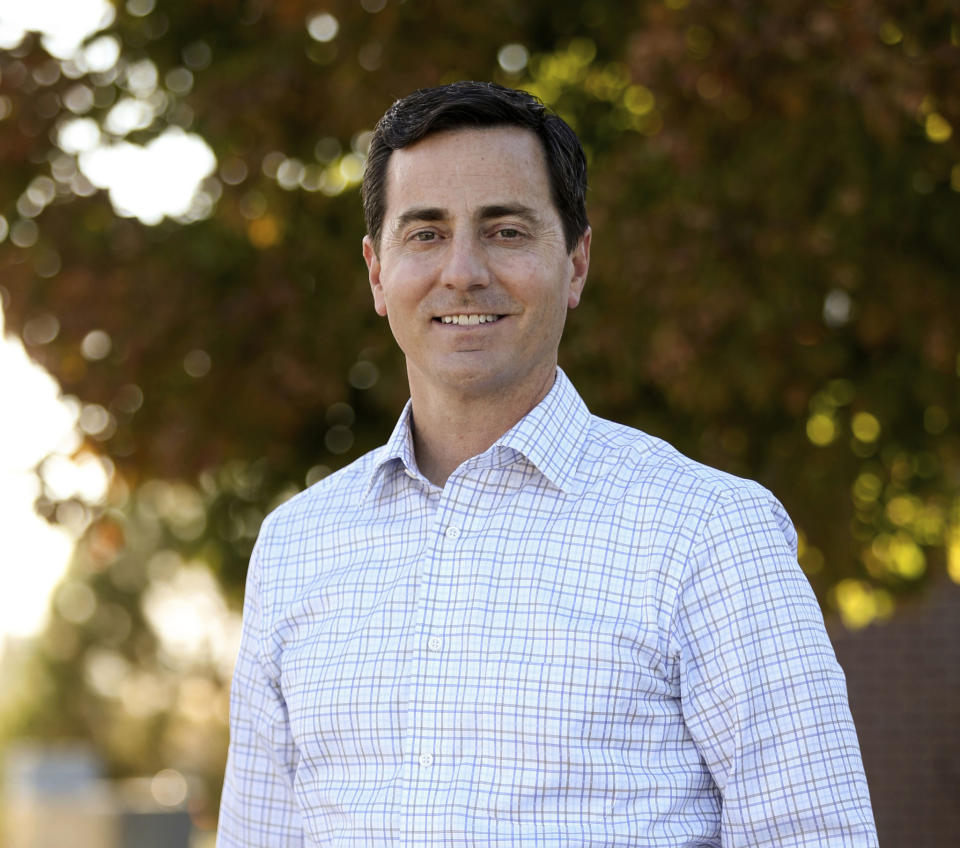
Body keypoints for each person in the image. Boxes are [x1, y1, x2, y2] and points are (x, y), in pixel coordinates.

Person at [217, 81, 878, 847]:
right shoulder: (296, 547)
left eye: (505, 231)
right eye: (425, 234)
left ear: (577, 263)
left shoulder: (709, 535)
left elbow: (815, 834)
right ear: (375, 271)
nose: (462, 271)